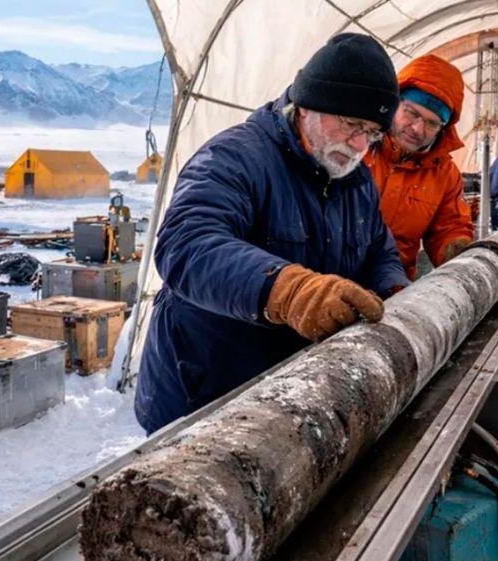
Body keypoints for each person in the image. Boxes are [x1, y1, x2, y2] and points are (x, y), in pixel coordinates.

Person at [133, 33, 410, 434]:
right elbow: (186, 242)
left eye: (372, 133)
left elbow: (378, 249)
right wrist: (287, 290)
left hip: (283, 389)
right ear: (309, 105)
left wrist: (396, 289)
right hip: (206, 387)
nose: (358, 145)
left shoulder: (356, 180)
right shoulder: (236, 157)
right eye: (351, 124)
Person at [363, 54, 472, 280]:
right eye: (411, 113)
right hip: (331, 283)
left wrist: (455, 248)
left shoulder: (444, 174)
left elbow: (450, 225)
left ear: (443, 128)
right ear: (394, 103)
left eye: (432, 123)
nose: (417, 129)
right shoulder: (357, 144)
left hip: (393, 288)